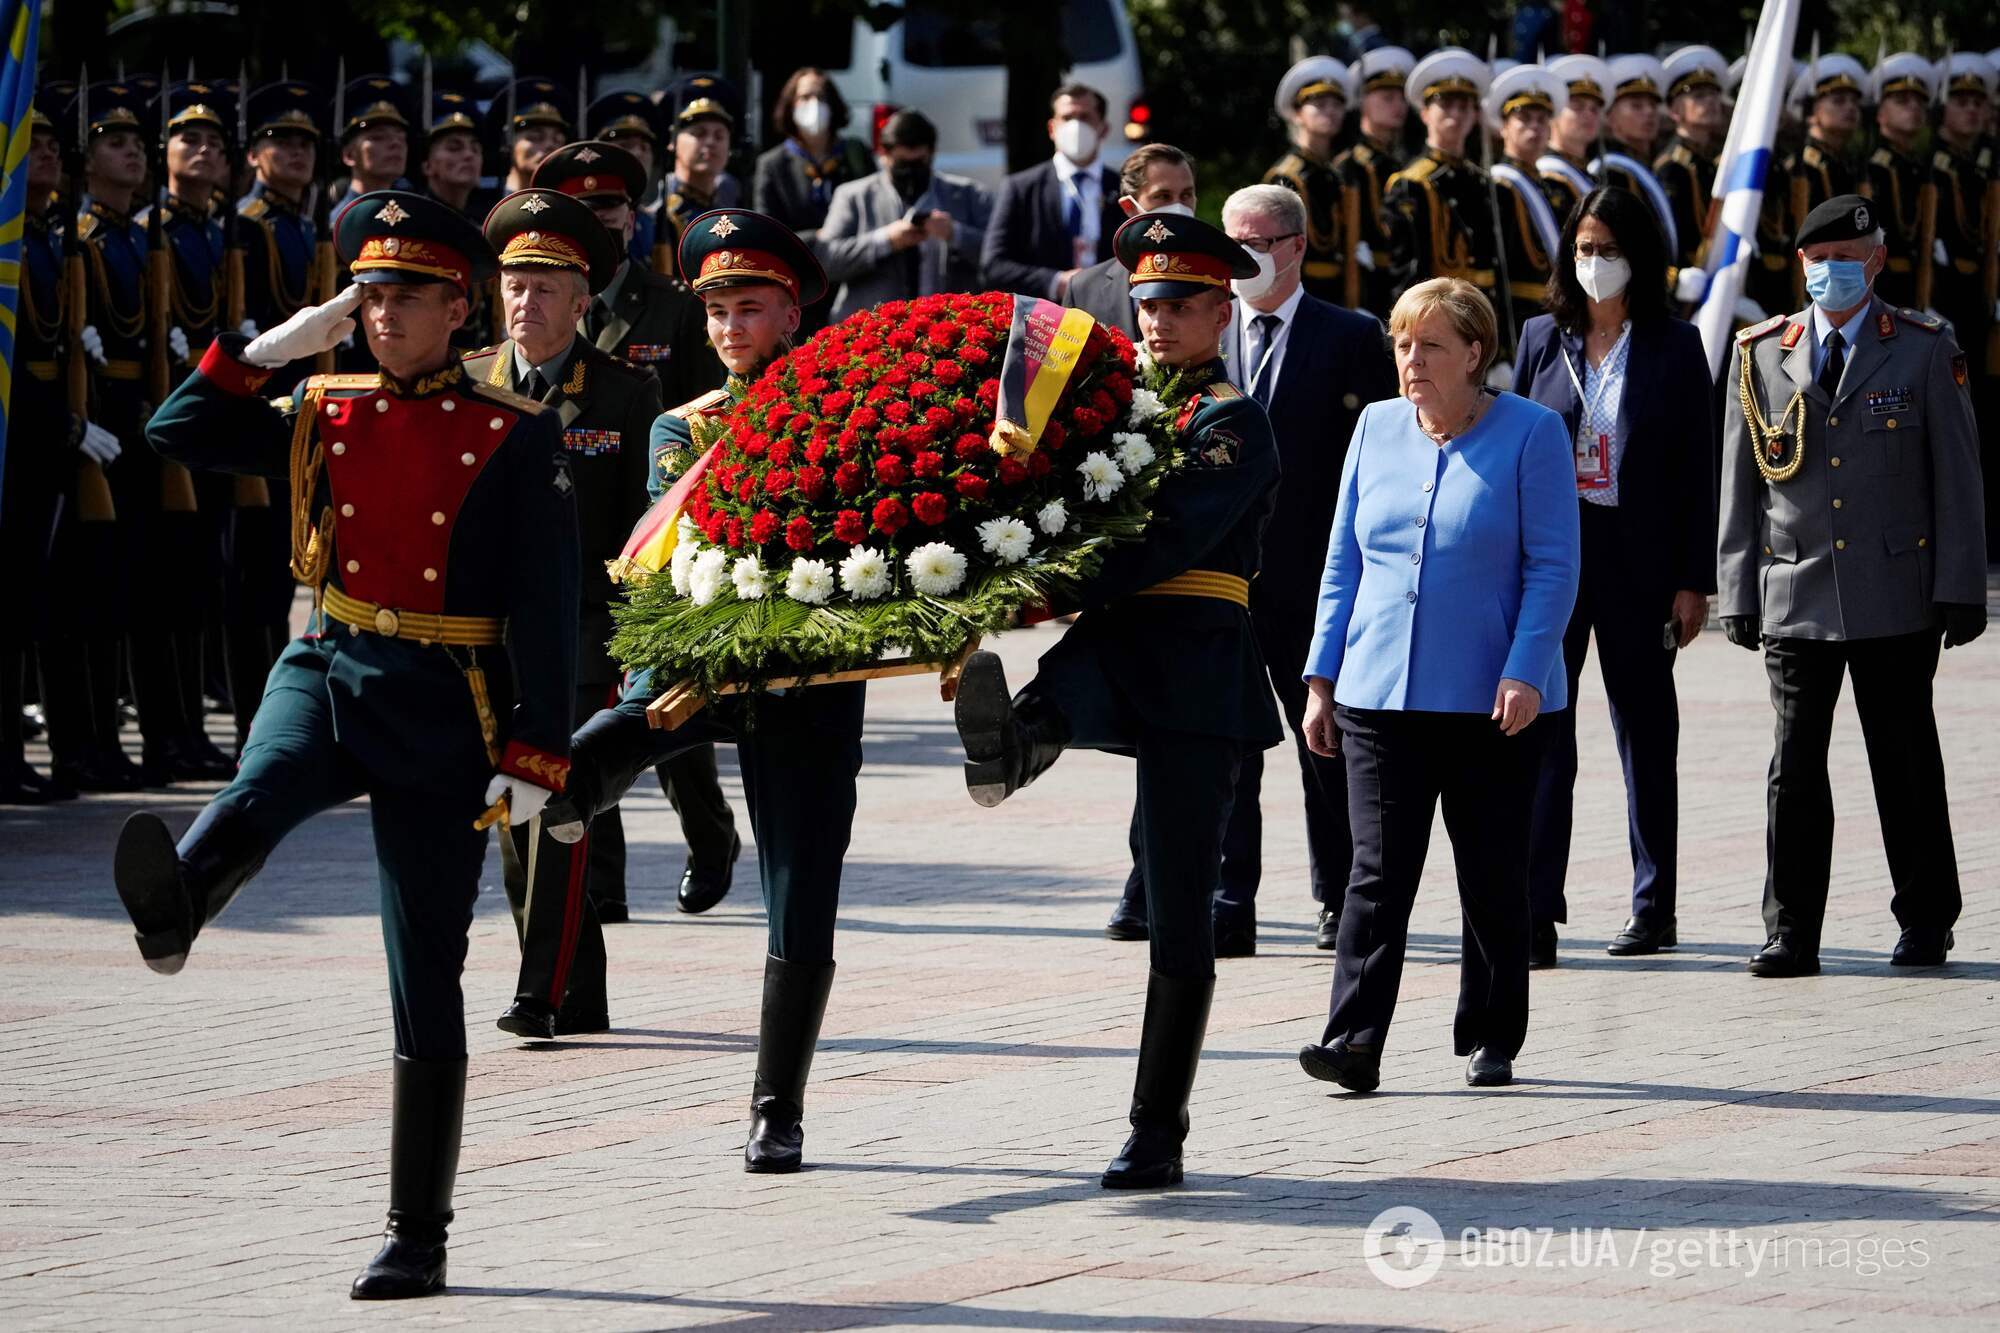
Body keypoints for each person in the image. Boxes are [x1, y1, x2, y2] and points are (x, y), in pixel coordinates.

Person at [118, 190, 579, 1298]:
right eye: (367, 295)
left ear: (457, 307)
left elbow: (549, 604)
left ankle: (417, 1230)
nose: (380, 314)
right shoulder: (321, 402)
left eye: (403, 297)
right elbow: (173, 430)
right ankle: (181, 899)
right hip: (329, 662)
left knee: (424, 970)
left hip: (444, 701)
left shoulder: (511, 433)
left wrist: (536, 752)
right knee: (264, 777)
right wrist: (278, 344)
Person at [517, 210, 862, 1177]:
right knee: (625, 723)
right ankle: (555, 786)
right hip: (714, 658)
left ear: (792, 313)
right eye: (713, 310)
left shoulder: (851, 408)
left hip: (816, 675)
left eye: (748, 308)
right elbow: (682, 548)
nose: (727, 327)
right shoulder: (685, 425)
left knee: (802, 892)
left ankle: (775, 1107)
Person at [952, 211, 1278, 1188]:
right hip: (1115, 635)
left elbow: (1160, 538)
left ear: (1221, 313)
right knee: (1069, 684)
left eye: (1178, 304)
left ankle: (1155, 1130)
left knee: (1178, 909)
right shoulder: (1114, 405)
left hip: (1196, 659)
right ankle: (1011, 745)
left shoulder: (1231, 422)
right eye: (1144, 303)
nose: (1157, 320)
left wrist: (1031, 583)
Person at [1295, 277, 1579, 1093]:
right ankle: (1352, 1041)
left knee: (1490, 872)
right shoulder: (1376, 427)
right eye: (1402, 344)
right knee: (1377, 874)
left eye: (1430, 347)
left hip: (1495, 698)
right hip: (1378, 691)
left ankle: (1492, 1032)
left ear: (1475, 355)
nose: (1411, 362)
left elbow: (1554, 565)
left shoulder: (1531, 433)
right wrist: (1321, 677)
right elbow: (1342, 559)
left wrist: (1527, 668)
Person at [1115, 185, 1397, 955]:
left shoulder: (1350, 336)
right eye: (1232, 241)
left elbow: (1374, 466)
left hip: (1310, 577)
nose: (1244, 258)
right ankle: (1227, 898)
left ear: (1297, 245)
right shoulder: (1196, 326)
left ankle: (1338, 893)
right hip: (1219, 582)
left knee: (1324, 742)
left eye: (1260, 242)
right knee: (1225, 742)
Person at [1717, 194, 1987, 978]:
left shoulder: (1926, 348)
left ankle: (1927, 919)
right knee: (1794, 767)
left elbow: (1958, 476)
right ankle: (1791, 929)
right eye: (1816, 260)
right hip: (1797, 589)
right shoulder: (1763, 349)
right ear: (1799, 264)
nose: (1829, 272)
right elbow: (1740, 482)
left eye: (1845, 258)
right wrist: (1737, 588)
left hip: (1896, 588)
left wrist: (1961, 583)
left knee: (1904, 760)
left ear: (1875, 262)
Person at [462, 187, 658, 1038]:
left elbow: (643, 536)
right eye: (513, 284)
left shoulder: (622, 392)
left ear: (582, 304)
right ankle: (569, 990)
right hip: (482, 643)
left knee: (558, 813)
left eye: (545, 288)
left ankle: (540, 991)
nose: (525, 302)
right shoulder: (467, 384)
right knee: (513, 822)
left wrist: (633, 646)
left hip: (581, 640)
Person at [533, 139, 738, 921]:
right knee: (601, 714)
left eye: (608, 209)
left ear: (631, 215)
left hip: (662, 527)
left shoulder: (677, 307)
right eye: (580, 211)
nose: (598, 221)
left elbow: (704, 415)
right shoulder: (547, 295)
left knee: (668, 711)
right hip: (583, 540)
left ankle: (710, 830)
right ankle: (603, 887)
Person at [1518, 187, 1717, 967]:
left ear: (1639, 256)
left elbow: (1698, 472)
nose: (1595, 263)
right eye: (1584, 249)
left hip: (1640, 562)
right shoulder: (1543, 337)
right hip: (1553, 560)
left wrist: (1693, 578)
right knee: (1540, 735)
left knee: (1645, 734)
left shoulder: (1673, 344)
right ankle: (1537, 905)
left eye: (1609, 249)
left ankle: (1653, 903)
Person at [139, 82, 242, 784]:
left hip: (215, 418)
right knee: (156, 591)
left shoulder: (217, 232)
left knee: (204, 585)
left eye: (215, 143)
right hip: (157, 423)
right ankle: (161, 731)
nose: (204, 151)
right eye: (189, 140)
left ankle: (186, 731)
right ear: (163, 155)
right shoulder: (155, 233)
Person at [2, 101, 97, 803]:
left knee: (38, 602)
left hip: (48, 436)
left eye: (52, 143)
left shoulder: (53, 237)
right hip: (21, 434)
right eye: (28, 142)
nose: (44, 154)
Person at [224, 81, 322, 760]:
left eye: (304, 144)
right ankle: (250, 719)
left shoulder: (304, 227)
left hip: (307, 415)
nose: (294, 153)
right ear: (255, 155)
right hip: (262, 413)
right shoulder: (244, 227)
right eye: (281, 142)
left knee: (296, 573)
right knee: (252, 579)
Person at [816, 109, 991, 322]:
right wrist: (885, 240)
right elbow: (825, 261)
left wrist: (956, 233)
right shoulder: (853, 196)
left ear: (932, 154)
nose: (910, 172)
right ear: (883, 155)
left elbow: (999, 257)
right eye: (902, 164)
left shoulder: (968, 195)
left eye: (918, 164)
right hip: (870, 332)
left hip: (948, 331)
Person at [1931, 52, 1996, 553]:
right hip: (1942, 307)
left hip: (1979, 310)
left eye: (1980, 102)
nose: (1971, 112)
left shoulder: (1980, 167)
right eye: (1962, 102)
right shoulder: (1934, 167)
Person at [753, 66, 873, 333]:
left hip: (855, 284)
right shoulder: (772, 165)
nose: (814, 105)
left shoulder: (856, 154)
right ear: (790, 105)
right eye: (805, 97)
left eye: (821, 97)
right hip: (801, 290)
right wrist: (823, 235)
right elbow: (768, 233)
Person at [980, 82, 1123, 300]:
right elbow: (993, 265)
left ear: (1103, 129)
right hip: (1045, 317)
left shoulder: (1124, 188)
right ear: (1052, 128)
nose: (1075, 126)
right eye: (1067, 118)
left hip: (1110, 310)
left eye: (1084, 117)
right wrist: (1056, 282)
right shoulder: (1021, 188)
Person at [1383, 50, 1498, 313]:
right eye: (1445, 104)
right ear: (1424, 113)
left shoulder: (1481, 180)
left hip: (1485, 316)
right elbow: (1408, 273)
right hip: (1438, 316)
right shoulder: (1411, 184)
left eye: (1464, 106)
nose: (1456, 114)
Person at [1062, 143, 1197, 341]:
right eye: (1163, 196)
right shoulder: (1083, 290)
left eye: (1186, 195)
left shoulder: (1217, 282)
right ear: (1129, 207)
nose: (1178, 206)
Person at [1484, 64, 1571, 348]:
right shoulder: (1498, 185)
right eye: (1524, 119)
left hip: (1556, 314)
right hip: (1516, 319)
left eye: (1542, 119)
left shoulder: (1551, 187)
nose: (1534, 127)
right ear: (1504, 127)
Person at [1263, 56, 1357, 306]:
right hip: (1303, 293)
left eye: (1337, 104)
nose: (1330, 111)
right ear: (1297, 113)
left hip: (1336, 292)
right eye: (1320, 104)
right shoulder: (1287, 175)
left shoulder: (1332, 173)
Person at [1777, 55, 1866, 310]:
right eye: (1837, 101)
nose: (1849, 108)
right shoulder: (1798, 168)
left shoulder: (1850, 165)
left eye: (1853, 102)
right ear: (1811, 113)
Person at [1334, 45, 1414, 319]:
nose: (1398, 106)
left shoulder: (1402, 165)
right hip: (1366, 289)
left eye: (1401, 97)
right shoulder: (1350, 166)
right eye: (1387, 97)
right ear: (1363, 102)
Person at [1860, 54, 1937, 314]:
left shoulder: (1917, 168)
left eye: (1919, 102)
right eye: (1902, 101)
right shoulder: (1874, 169)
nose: (1913, 108)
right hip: (1885, 291)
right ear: (1880, 113)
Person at [1594, 56, 1680, 267]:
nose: (1649, 113)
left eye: (1652, 105)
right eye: (1636, 106)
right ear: (1610, 115)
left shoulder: (1647, 165)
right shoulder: (1611, 171)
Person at [1656, 47, 1729, 291]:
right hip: (1686, 284)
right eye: (1698, 96)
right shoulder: (1671, 167)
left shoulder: (1712, 162)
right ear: (1675, 111)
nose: (1710, 102)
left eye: (1713, 94)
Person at [586, 91, 667, 271]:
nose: (637, 153)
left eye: (645, 147)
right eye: (625, 145)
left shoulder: (656, 222)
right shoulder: (582, 215)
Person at [660, 90, 740, 252]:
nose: (710, 142)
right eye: (699, 134)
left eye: (719, 136)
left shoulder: (733, 209)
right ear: (673, 142)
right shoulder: (660, 212)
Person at [1539, 54, 1612, 220]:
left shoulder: (1591, 173)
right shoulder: (1547, 175)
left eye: (1594, 109)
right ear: (1554, 114)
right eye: (1577, 106)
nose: (1589, 114)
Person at [334, 75, 410, 208]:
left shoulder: (414, 217)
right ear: (349, 155)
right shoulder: (338, 224)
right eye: (378, 137)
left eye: (401, 137)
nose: (395, 144)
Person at [496, 78, 570, 193]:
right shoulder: (484, 208)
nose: (549, 145)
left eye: (557, 140)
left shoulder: (571, 209)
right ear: (508, 143)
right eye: (536, 137)